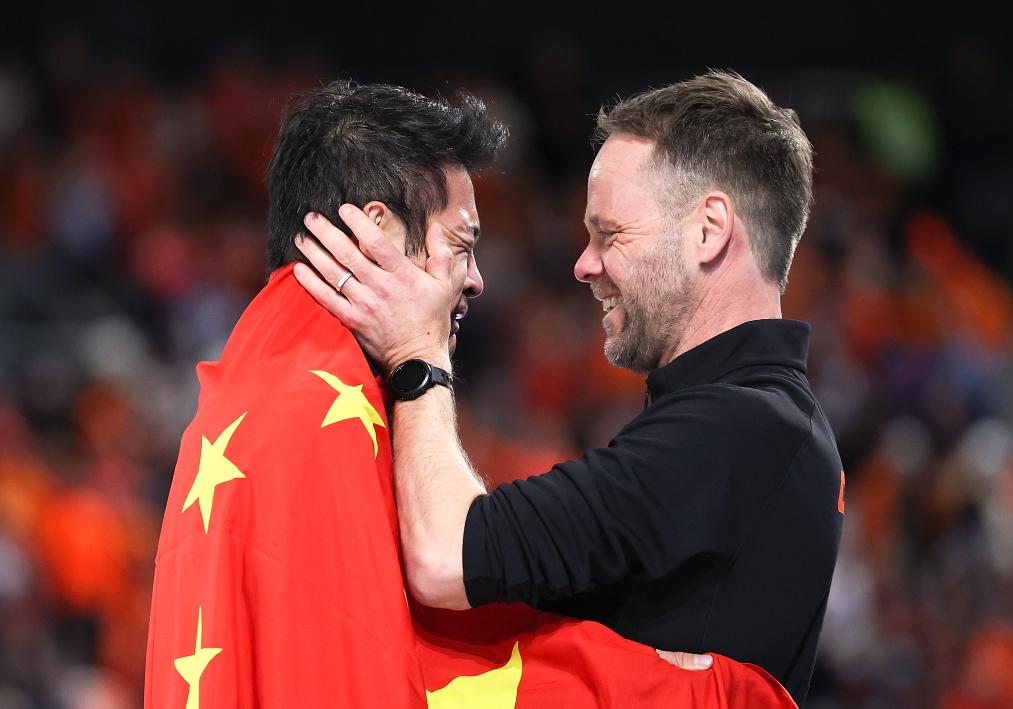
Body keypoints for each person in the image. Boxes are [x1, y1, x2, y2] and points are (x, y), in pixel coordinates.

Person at [145, 78, 793, 707]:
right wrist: (689, 692)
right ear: (377, 234)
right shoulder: (321, 408)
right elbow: (403, 634)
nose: (477, 279)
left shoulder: (250, 388)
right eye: (461, 244)